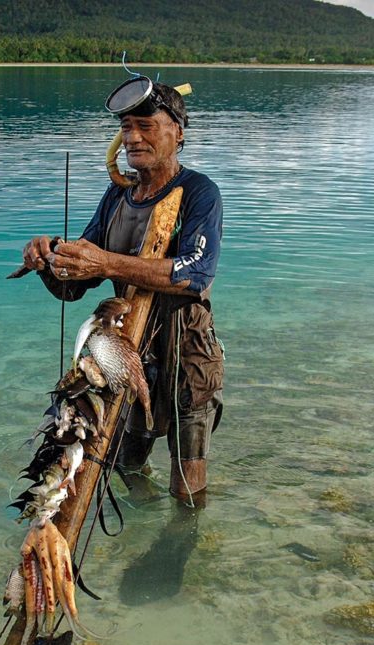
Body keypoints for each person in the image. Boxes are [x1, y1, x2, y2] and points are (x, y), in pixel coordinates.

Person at [21, 76, 224, 509]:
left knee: (188, 488)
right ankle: (144, 518)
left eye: (146, 126)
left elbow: (196, 273)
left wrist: (108, 262)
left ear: (178, 132)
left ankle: (182, 547)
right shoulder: (116, 197)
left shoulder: (199, 193)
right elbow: (76, 286)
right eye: (126, 127)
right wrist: (49, 260)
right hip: (127, 354)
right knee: (125, 465)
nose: (132, 137)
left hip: (188, 356)